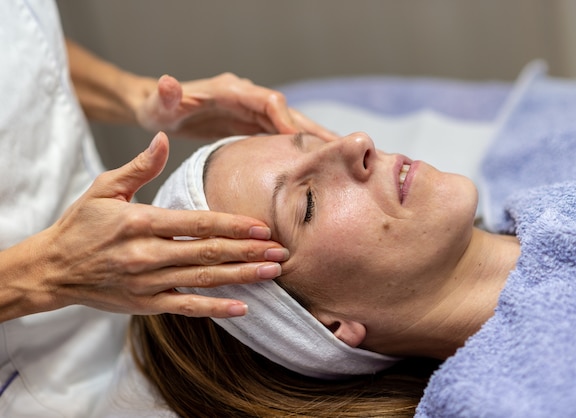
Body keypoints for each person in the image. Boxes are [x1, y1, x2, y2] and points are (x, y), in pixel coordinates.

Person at [132, 99, 576, 417]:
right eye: (307, 204)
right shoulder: (515, 402)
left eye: (315, 143)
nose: (356, 143)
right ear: (324, 329)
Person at [0, 1, 333, 415]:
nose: (357, 142)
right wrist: (47, 270)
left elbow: (19, 40)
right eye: (309, 204)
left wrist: (134, 96)